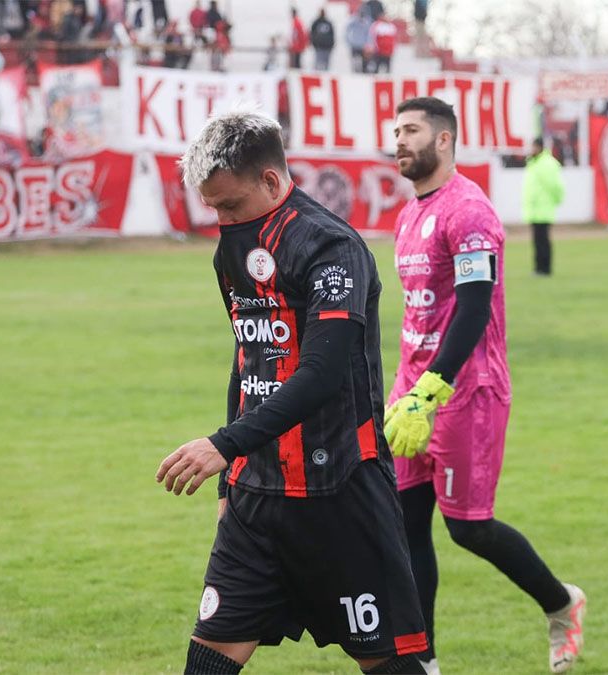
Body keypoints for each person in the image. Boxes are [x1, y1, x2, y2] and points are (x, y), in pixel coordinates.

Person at [156, 110, 430, 675]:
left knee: (388, 664)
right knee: (207, 662)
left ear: (273, 182)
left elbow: (321, 374)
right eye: (213, 209)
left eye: (230, 205)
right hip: (256, 498)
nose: (222, 221)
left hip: (341, 492)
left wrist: (223, 445)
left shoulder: (333, 248)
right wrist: (229, 485)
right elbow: (249, 360)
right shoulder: (231, 250)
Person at [387, 96, 587, 675]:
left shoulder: (470, 212)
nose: (400, 140)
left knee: (468, 528)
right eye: (396, 130)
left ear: (444, 140)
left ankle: (561, 603)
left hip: (466, 391)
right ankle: (421, 659)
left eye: (412, 130)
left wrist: (432, 389)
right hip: (412, 391)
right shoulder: (409, 215)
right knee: (404, 525)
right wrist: (408, 390)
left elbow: (473, 310)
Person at [521, 138, 563, 276]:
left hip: (543, 207)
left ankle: (545, 268)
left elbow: (555, 185)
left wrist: (556, 200)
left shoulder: (547, 164)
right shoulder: (534, 162)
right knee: (537, 241)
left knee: (543, 240)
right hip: (535, 208)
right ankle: (539, 268)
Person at [345, 8, 371, 74]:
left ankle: (362, 72)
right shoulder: (354, 21)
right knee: (355, 60)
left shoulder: (366, 22)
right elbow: (347, 30)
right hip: (355, 44)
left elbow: (368, 34)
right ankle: (355, 72)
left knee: (364, 61)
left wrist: (368, 44)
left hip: (363, 45)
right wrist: (349, 41)